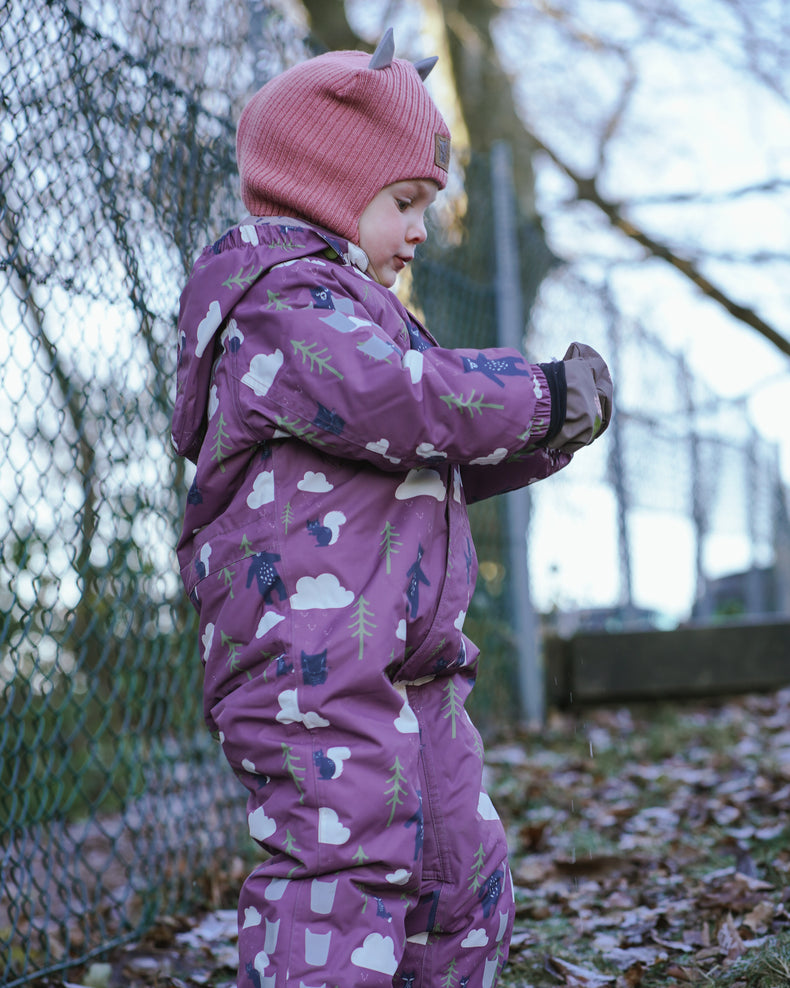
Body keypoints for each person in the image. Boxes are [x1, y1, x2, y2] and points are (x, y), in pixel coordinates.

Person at [172, 28, 612, 988]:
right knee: (345, 870)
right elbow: (397, 399)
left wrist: (544, 435)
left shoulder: (363, 312)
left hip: (414, 661)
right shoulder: (278, 307)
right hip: (311, 665)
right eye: (406, 202)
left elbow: (418, 454)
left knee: (462, 869)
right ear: (326, 186)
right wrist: (533, 393)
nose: (421, 230)